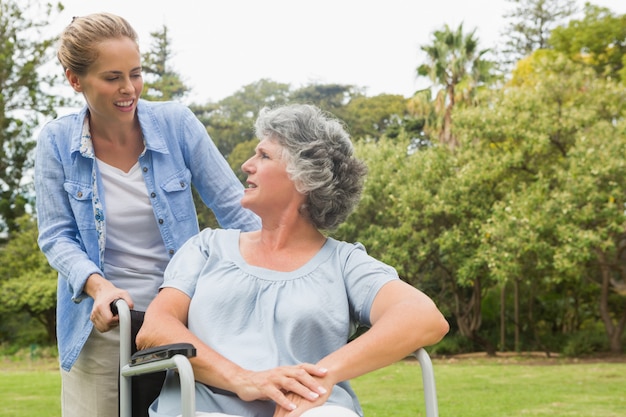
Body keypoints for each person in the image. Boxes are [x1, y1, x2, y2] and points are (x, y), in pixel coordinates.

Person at [136, 103, 450, 417]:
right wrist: (244, 379)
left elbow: (424, 317)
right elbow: (155, 329)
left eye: (264, 155)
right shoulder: (207, 247)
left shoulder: (344, 263)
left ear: (304, 177)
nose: (247, 165)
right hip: (201, 410)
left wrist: (315, 380)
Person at [34, 12, 260, 417]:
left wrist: (284, 266)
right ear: (75, 80)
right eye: (112, 77)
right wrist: (99, 287)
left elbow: (235, 208)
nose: (128, 89)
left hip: (184, 319)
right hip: (101, 324)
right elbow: (56, 236)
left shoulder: (175, 123)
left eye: (135, 74)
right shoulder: (55, 141)